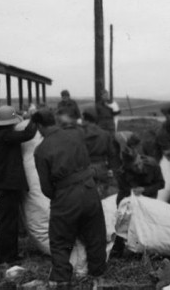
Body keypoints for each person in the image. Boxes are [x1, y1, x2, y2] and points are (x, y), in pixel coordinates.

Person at [33, 108, 106, 287]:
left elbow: (46, 188)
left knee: (59, 241)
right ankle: (99, 279)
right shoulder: (76, 135)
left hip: (65, 195)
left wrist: (59, 197)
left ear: (40, 126)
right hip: (89, 190)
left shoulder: (41, 150)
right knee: (95, 236)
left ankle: (62, 280)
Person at [0, 105, 37, 264]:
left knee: (7, 220)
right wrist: (34, 117)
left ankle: (8, 254)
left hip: (1, 183)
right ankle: (5, 257)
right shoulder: (5, 135)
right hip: (7, 184)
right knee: (8, 222)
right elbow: (28, 133)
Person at [82, 106, 118, 198]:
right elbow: (112, 154)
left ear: (85, 119)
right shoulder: (105, 134)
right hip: (101, 169)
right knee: (102, 197)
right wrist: (111, 170)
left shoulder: (79, 133)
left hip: (84, 169)